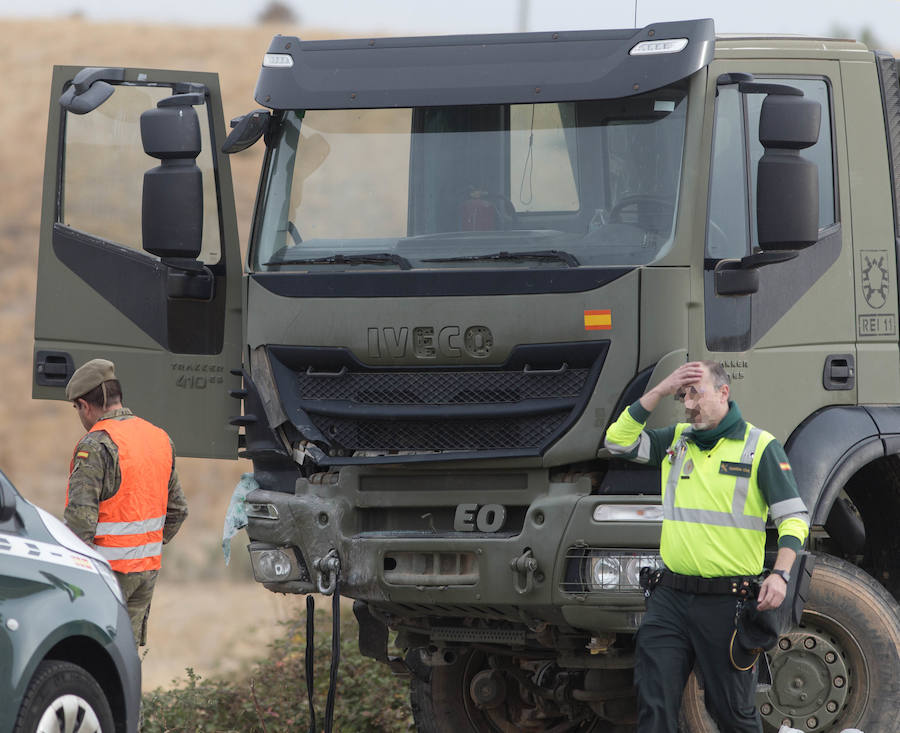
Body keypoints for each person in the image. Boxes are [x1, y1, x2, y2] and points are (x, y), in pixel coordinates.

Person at [604, 361, 809, 732]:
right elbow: (617, 441)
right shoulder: (676, 440)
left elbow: (794, 519)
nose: (688, 404)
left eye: (696, 394)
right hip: (669, 599)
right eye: (683, 396)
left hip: (727, 603)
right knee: (654, 707)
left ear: (723, 393)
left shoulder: (760, 448)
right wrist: (660, 389)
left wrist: (780, 574)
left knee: (733, 714)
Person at [64, 358, 188, 647]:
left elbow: (81, 522)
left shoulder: (95, 445)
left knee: (93, 655)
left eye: (77, 409)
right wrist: (146, 545)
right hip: (146, 571)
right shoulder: (158, 438)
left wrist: (69, 574)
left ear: (84, 404)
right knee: (125, 659)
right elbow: (179, 510)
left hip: (106, 575)